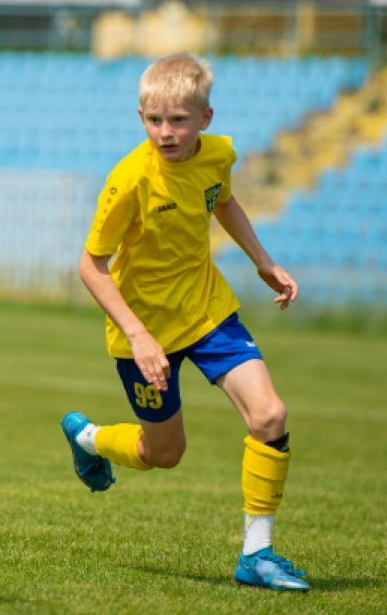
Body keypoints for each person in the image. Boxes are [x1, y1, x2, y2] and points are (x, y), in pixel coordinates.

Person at [60, 53, 309, 592]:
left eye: (178, 120)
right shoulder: (129, 180)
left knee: (270, 415)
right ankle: (89, 439)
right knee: (164, 454)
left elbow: (222, 201)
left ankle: (257, 554)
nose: (166, 133)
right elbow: (90, 265)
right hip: (144, 329)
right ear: (141, 116)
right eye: (154, 120)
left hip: (208, 311)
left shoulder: (218, 154)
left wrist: (262, 260)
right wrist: (139, 335)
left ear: (206, 118)